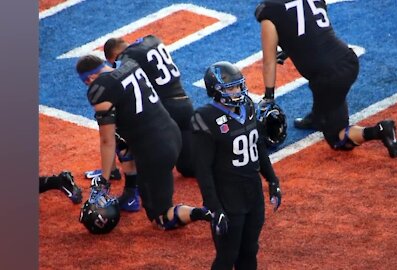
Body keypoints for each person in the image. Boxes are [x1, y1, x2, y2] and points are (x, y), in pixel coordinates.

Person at [75, 55, 211, 230]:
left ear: (90, 79)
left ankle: (206, 213)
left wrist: (104, 180)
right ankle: (131, 192)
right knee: (122, 142)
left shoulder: (100, 89)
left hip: (155, 151)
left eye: (88, 83)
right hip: (171, 132)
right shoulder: (129, 64)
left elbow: (106, 140)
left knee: (161, 218)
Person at [255, 0, 397, 158]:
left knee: (338, 139)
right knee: (325, 89)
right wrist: (289, 49)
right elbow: (311, 31)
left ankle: (379, 130)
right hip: (347, 59)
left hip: (329, 77)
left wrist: (269, 96)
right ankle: (318, 115)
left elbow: (269, 61)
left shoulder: (269, 11)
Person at [191, 61, 282, 269]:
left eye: (238, 86)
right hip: (229, 199)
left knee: (250, 251)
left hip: (253, 194)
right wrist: (214, 208)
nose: (237, 91)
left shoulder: (248, 105)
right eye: (231, 87)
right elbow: (203, 170)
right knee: (227, 256)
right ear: (215, 91)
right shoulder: (205, 118)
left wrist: (272, 179)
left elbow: (258, 146)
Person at [103, 35, 195, 177]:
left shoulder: (128, 58)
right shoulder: (153, 40)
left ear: (116, 54)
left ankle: (121, 172)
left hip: (165, 112)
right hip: (185, 105)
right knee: (188, 167)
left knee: (117, 122)